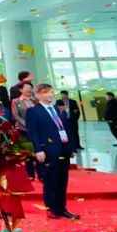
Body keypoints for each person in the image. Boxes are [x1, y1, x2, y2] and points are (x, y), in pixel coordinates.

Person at [26, 84, 79, 220]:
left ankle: (62, 208)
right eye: (46, 92)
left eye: (52, 92)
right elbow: (33, 133)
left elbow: (67, 129)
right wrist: (38, 149)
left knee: (62, 181)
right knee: (50, 180)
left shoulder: (57, 109)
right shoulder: (33, 111)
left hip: (63, 149)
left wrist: (71, 148)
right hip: (47, 150)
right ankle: (51, 208)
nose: (51, 95)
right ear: (38, 95)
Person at [11, 81, 36, 180]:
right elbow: (15, 115)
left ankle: (41, 174)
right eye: (27, 87)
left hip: (36, 129)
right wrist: (27, 125)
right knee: (27, 152)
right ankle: (30, 174)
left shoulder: (36, 101)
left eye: (30, 87)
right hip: (23, 129)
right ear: (21, 90)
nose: (29, 89)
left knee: (37, 150)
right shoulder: (16, 101)